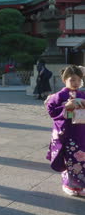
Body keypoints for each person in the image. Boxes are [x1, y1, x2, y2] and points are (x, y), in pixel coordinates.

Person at [46, 65, 85, 197]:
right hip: (67, 133)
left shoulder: (82, 94)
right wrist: (66, 107)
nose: (76, 83)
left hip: (80, 131)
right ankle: (69, 185)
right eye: (72, 80)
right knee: (69, 158)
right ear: (65, 80)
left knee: (81, 158)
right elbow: (51, 111)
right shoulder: (59, 95)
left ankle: (80, 185)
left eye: (79, 80)